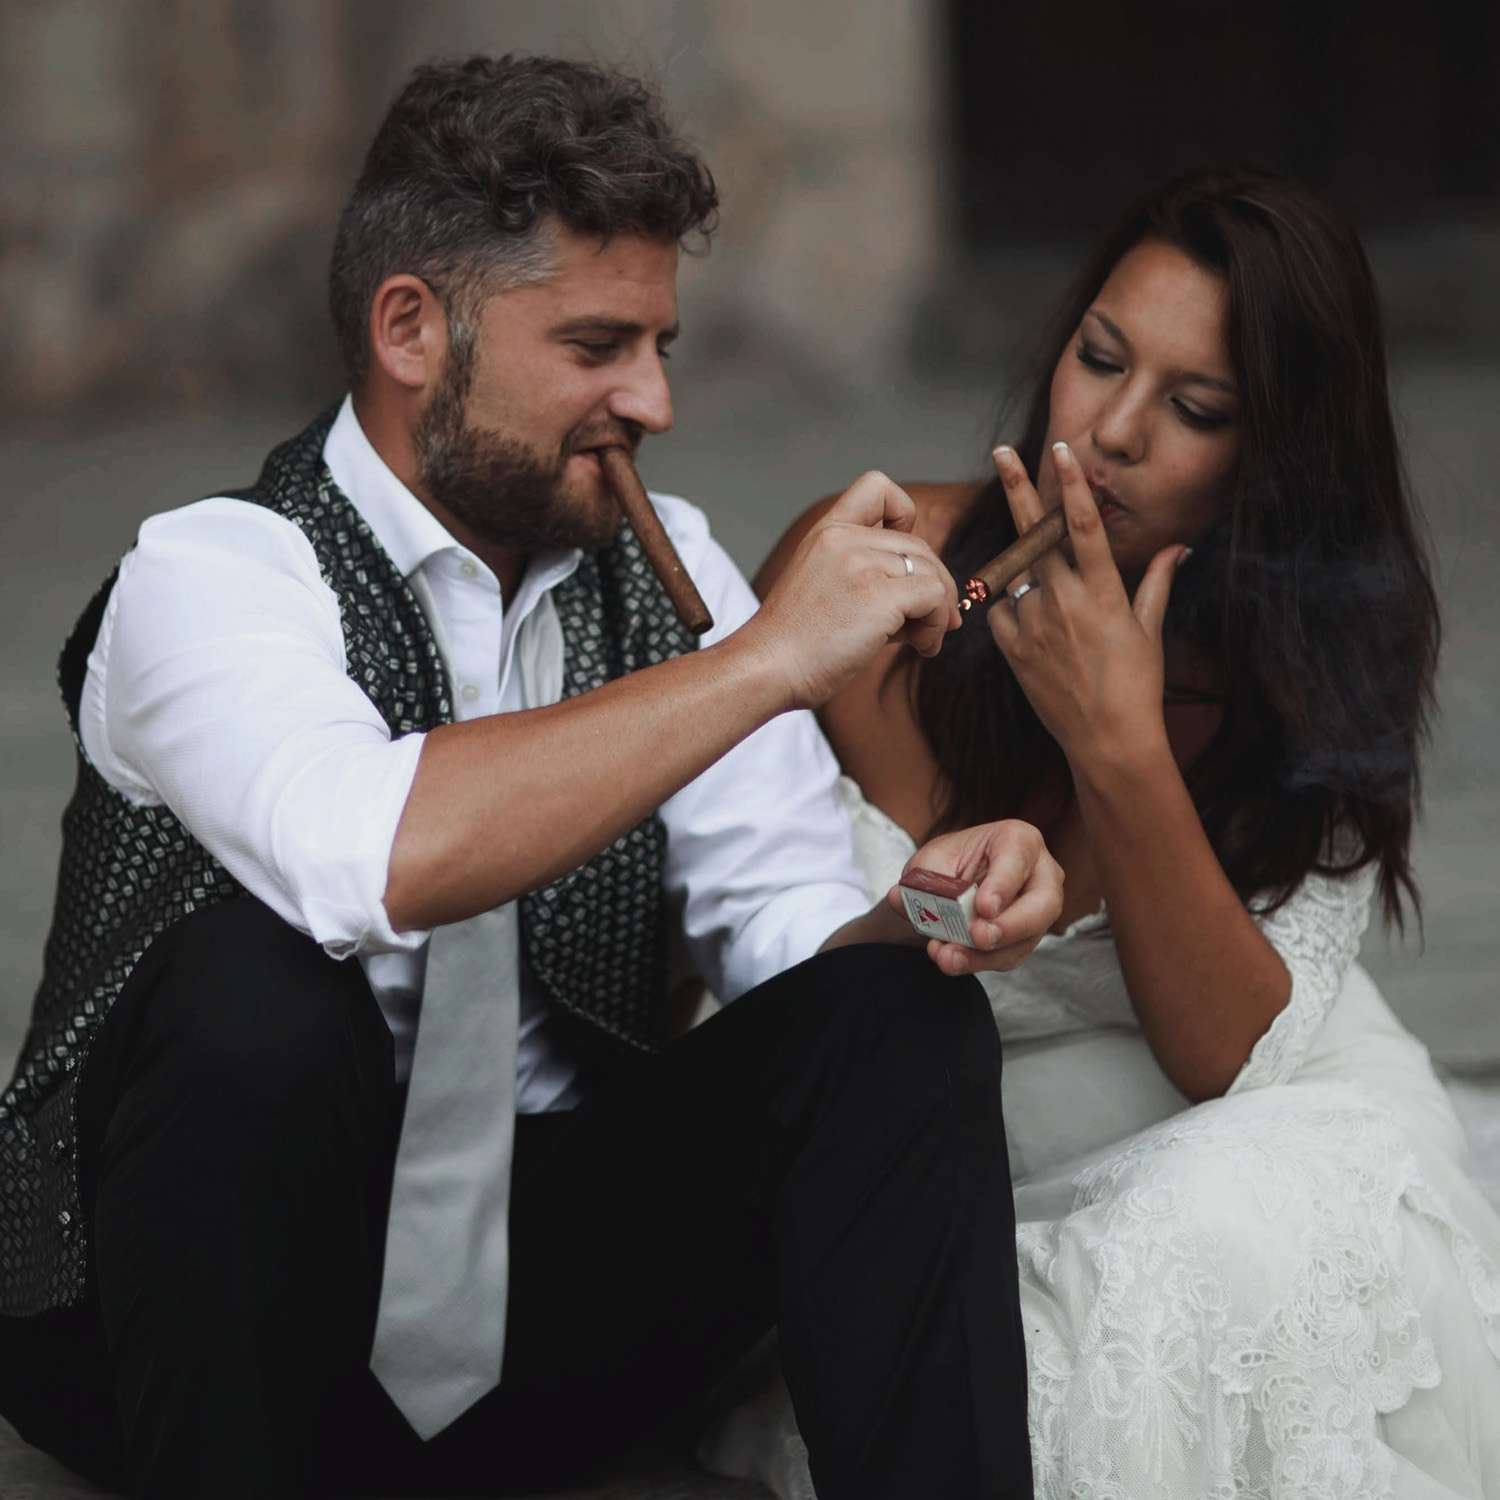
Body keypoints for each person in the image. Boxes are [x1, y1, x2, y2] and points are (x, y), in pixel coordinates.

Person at [0, 55, 1065, 1499]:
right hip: (175, 1335)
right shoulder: (214, 572)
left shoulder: (674, 576)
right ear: (410, 329)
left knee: (897, 1019)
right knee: (258, 989)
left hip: (533, 1304)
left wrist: (933, 907)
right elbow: (364, 857)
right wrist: (768, 662)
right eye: (597, 345)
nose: (655, 399)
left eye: (662, 343)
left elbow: (788, 941)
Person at [701, 168, 1500, 1499]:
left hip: (1239, 1098)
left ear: (1279, 457)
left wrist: (1116, 746)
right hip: (938, 1142)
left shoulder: (1312, 659)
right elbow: (740, 941)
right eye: (1100, 358)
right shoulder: (879, 572)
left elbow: (1227, 1061)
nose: (1112, 431)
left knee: (1231, 1241)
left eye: (1196, 409)